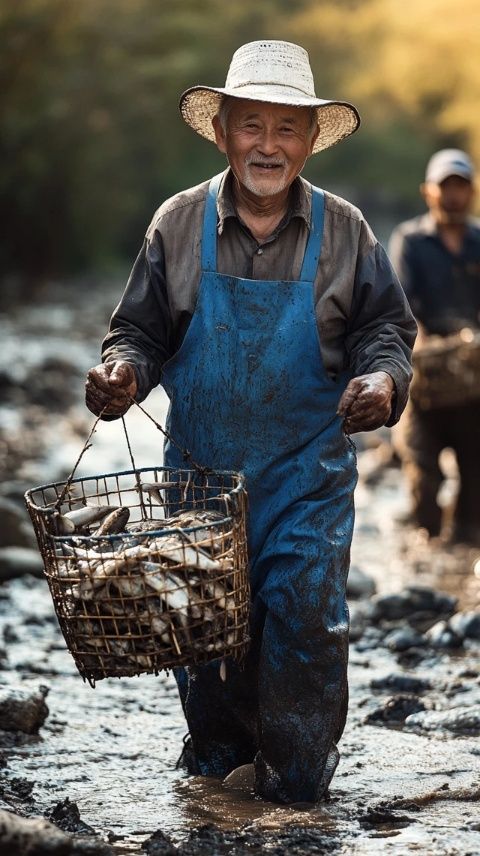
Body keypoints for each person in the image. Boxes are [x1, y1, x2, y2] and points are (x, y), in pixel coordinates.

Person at [85, 40, 416, 803]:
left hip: (306, 479)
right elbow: (137, 332)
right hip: (199, 482)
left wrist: (381, 381)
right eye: (251, 125)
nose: (268, 145)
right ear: (224, 130)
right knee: (204, 648)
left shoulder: (348, 231)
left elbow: (386, 333)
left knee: (304, 620)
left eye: (287, 128)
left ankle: (297, 793)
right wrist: (123, 376)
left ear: (309, 139)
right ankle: (215, 789)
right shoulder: (176, 224)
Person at [389, 149, 480, 544]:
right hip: (425, 377)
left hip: (474, 379)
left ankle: (464, 551)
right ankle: (427, 547)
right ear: (429, 193)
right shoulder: (410, 240)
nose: (454, 196)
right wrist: (425, 343)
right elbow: (401, 302)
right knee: (423, 472)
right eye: (446, 188)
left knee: (475, 473)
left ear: (472, 193)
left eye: (461, 188)